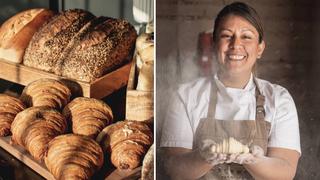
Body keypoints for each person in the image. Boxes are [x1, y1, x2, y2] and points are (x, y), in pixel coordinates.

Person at [159, 1, 301, 180]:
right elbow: (174, 170)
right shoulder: (185, 96)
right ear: (214, 44)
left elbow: (285, 172)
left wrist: (252, 160)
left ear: (260, 48)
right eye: (227, 35)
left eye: (247, 37)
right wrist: (204, 157)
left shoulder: (279, 99)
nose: (236, 44)